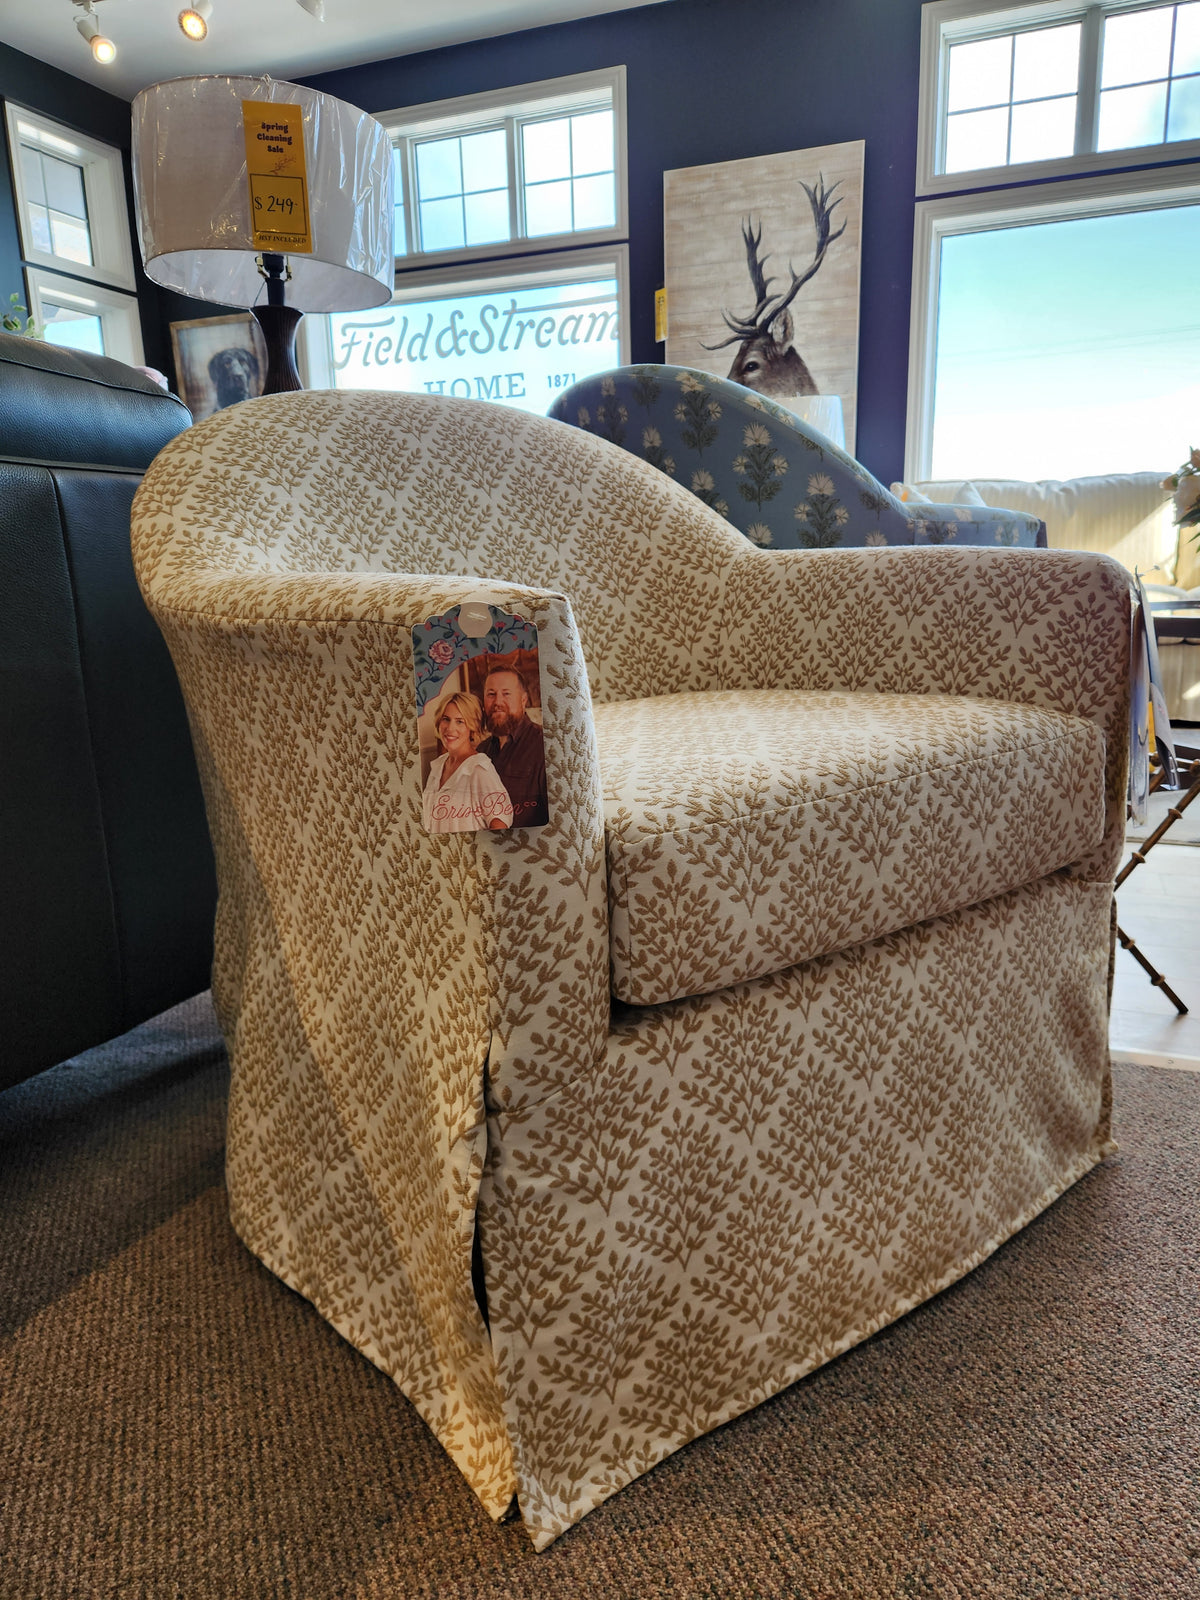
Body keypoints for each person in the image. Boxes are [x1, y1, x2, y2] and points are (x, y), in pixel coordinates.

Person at [421, 691, 513, 834]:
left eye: (460, 721)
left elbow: (500, 824)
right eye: (446, 719)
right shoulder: (438, 766)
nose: (450, 728)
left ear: (472, 727)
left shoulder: (479, 769)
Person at [478, 665, 548, 828]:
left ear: (523, 700)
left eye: (506, 694)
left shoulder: (544, 745)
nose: (497, 702)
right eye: (491, 694)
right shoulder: (480, 752)